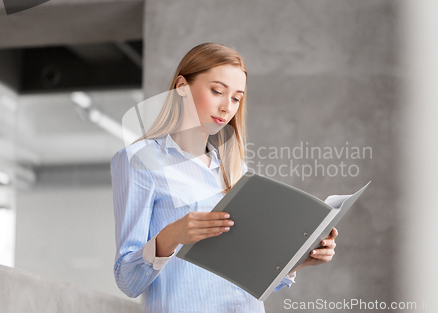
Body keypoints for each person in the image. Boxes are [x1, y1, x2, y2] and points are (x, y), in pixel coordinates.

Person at [110, 42, 338, 313]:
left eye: (236, 98)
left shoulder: (234, 169)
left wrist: (299, 260)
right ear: (182, 87)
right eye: (217, 91)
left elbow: (249, 272)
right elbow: (128, 280)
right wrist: (172, 236)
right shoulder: (140, 159)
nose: (226, 107)